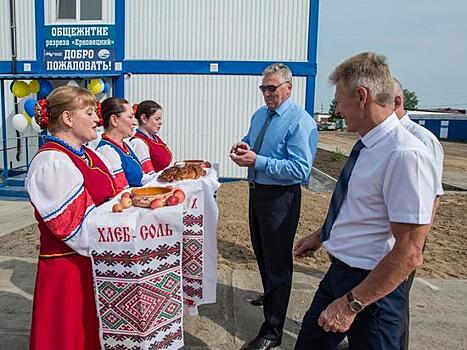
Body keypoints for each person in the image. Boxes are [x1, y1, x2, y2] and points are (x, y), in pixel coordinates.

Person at [293, 52, 438, 350]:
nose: (337, 110)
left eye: (340, 101)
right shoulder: (370, 145)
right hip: (340, 274)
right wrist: (322, 235)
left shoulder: (404, 155)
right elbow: (360, 208)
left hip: (373, 291)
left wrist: (350, 305)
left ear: (361, 96)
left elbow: (410, 252)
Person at [230, 63, 318, 350]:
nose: (267, 93)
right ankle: (271, 298)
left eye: (273, 88)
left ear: (289, 88)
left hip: (281, 198)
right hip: (257, 194)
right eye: (264, 88)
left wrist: (257, 161)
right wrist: (242, 148)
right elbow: (251, 141)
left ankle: (273, 331)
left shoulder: (300, 121)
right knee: (263, 255)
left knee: (278, 264)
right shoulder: (260, 115)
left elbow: (300, 169)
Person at [26, 86, 117, 349]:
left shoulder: (87, 153)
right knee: (69, 335)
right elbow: (76, 228)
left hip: (91, 262)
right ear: (67, 118)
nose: (97, 119)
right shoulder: (52, 162)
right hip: (68, 268)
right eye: (89, 113)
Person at [394, 77, 444, 350]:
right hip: (386, 235)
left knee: (396, 301)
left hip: (406, 237)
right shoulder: (381, 136)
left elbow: (433, 197)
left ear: (397, 102)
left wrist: (416, 246)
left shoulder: (422, 140)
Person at [95, 97, 152, 189]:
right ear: (114, 120)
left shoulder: (124, 145)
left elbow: (140, 178)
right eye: (130, 117)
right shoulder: (107, 151)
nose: (134, 122)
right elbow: (121, 191)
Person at [130, 100, 173, 174]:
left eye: (160, 119)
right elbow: (147, 174)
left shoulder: (156, 138)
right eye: (157, 119)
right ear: (143, 118)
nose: (160, 122)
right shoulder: (138, 142)